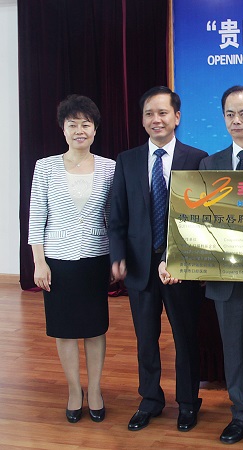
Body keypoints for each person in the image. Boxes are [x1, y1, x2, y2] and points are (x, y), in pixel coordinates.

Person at [161, 85, 243, 449]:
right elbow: (197, 221)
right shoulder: (210, 164)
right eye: (230, 114)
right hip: (225, 274)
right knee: (232, 348)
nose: (237, 121)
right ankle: (241, 414)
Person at [108, 86, 208, 432]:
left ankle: (188, 403)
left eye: (163, 113)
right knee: (146, 339)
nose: (156, 119)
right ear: (142, 120)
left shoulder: (197, 159)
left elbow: (201, 218)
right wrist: (117, 256)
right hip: (140, 266)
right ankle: (150, 399)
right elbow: (117, 216)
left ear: (176, 117)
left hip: (181, 266)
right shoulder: (128, 160)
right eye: (149, 113)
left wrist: (178, 257)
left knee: (185, 337)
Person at [28, 94, 115, 423]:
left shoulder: (109, 167)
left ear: (95, 130)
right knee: (64, 329)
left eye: (86, 124)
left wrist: (115, 258)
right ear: (63, 129)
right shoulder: (45, 167)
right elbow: (37, 217)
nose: (80, 130)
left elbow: (114, 217)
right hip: (57, 260)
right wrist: (39, 262)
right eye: (72, 124)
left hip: (95, 257)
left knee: (94, 328)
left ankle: (95, 390)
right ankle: (74, 390)